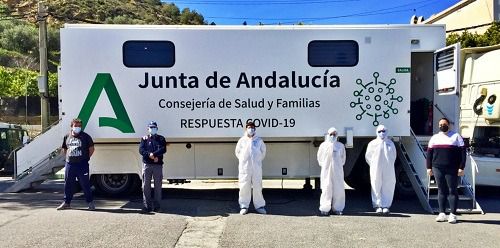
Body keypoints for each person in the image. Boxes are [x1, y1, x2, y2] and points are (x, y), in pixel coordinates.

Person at [426, 117, 466, 224]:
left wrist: (461, 167)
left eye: (444, 124)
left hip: (452, 168)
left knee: (452, 190)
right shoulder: (434, 137)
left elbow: (463, 153)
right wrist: (429, 167)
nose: (442, 126)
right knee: (441, 190)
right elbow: (429, 154)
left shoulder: (456, 136)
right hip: (437, 167)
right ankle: (442, 213)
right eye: (440, 124)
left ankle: (453, 215)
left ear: (449, 125)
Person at [57, 118, 95, 210]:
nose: (77, 128)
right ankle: (66, 203)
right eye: (75, 126)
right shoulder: (67, 137)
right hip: (70, 164)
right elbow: (64, 149)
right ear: (71, 126)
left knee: (85, 184)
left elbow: (92, 149)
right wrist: (68, 158)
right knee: (68, 184)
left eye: (79, 126)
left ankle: (90, 203)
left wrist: (86, 159)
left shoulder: (86, 137)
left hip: (82, 164)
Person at [235, 121, 267, 215]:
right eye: (249, 127)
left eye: (252, 127)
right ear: (246, 129)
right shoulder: (242, 140)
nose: (251, 129)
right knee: (244, 186)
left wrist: (256, 161)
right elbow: (237, 152)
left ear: (255, 129)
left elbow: (263, 152)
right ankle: (244, 206)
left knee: (257, 186)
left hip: (256, 168)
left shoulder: (259, 140)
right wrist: (244, 161)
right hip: (244, 168)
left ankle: (259, 206)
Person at [365, 124, 397, 215]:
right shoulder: (372, 143)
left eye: (383, 131)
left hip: (388, 168)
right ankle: (377, 205)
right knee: (376, 184)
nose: (382, 133)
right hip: (375, 167)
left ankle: (386, 205)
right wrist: (374, 165)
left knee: (388, 184)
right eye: (379, 131)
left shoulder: (390, 143)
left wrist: (389, 164)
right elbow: (368, 156)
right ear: (376, 132)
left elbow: (394, 155)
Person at [317, 127, 346, 216]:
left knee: (339, 189)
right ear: (328, 135)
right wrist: (325, 166)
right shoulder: (323, 145)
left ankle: (338, 208)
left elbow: (343, 159)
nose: (333, 136)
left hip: (337, 171)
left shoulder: (340, 146)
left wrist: (337, 166)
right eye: (331, 134)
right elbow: (320, 158)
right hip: (326, 171)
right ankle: (325, 208)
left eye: (334, 134)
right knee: (326, 188)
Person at [139, 121, 167, 213]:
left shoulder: (161, 138)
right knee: (146, 186)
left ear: (157, 128)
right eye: (151, 127)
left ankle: (157, 207)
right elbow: (141, 150)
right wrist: (149, 155)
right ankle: (146, 206)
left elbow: (163, 149)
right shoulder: (144, 139)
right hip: (147, 165)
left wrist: (154, 155)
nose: (152, 129)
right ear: (148, 129)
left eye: (154, 127)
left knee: (158, 186)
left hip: (157, 166)